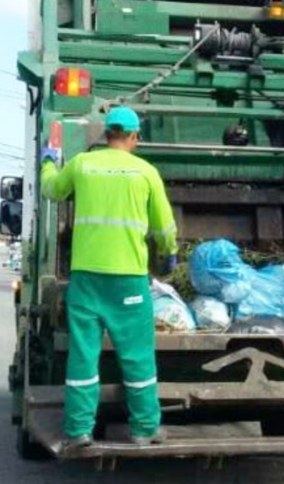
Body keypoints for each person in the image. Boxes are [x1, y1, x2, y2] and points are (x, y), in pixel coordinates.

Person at [40, 106, 178, 450]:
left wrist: (47, 162)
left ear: (106, 134)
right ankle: (144, 429)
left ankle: (78, 431)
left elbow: (53, 190)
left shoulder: (83, 165)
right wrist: (169, 252)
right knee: (136, 356)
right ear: (133, 137)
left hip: (86, 278)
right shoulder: (146, 172)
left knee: (83, 355)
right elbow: (163, 227)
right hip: (128, 280)